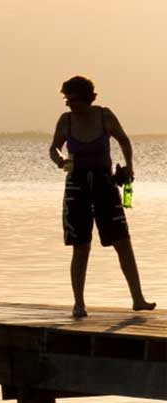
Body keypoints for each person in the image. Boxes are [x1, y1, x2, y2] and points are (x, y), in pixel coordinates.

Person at [49, 75, 155, 317]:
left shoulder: (103, 115)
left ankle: (138, 298)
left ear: (85, 98)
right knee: (81, 246)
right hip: (77, 187)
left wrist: (129, 167)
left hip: (105, 184)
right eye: (65, 98)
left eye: (70, 98)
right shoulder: (66, 121)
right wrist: (60, 160)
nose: (67, 103)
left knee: (122, 242)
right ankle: (79, 303)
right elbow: (54, 147)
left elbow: (124, 140)